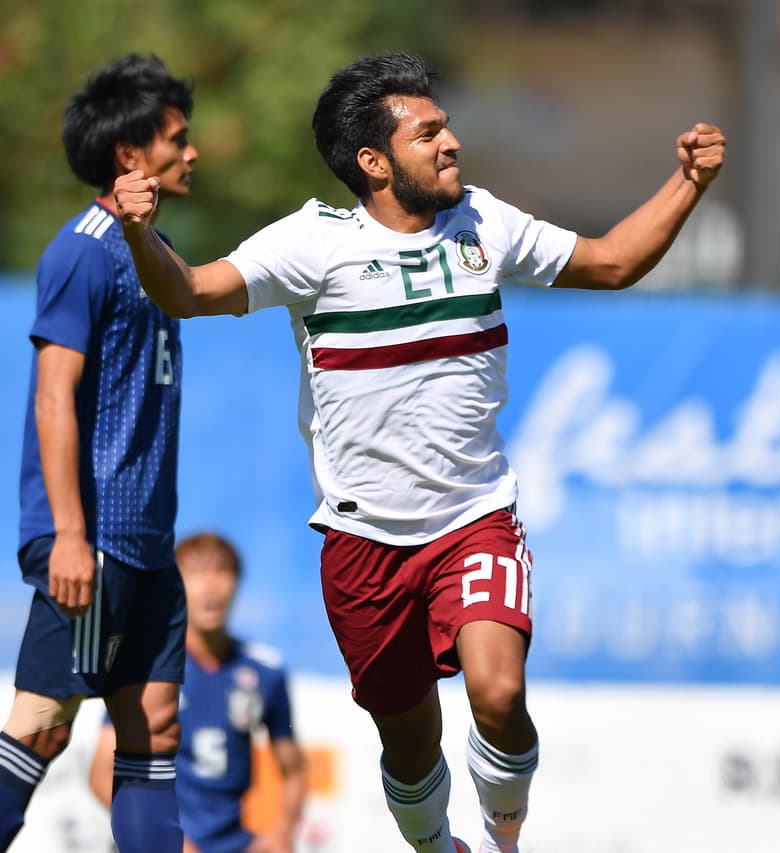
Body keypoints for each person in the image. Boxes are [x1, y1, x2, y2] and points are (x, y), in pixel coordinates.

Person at [113, 51, 725, 853]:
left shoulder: (484, 221)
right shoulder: (312, 245)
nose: (451, 143)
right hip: (363, 543)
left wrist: (689, 182)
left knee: (499, 692)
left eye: (446, 126)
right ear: (373, 161)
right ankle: (440, 847)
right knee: (408, 745)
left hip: (475, 516)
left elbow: (611, 261)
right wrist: (137, 232)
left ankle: (504, 843)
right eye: (428, 131)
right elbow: (188, 291)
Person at [0, 54, 199, 853]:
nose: (192, 153)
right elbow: (54, 394)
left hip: (147, 544)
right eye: (178, 138)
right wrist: (71, 535)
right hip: (96, 540)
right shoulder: (82, 250)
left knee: (153, 726)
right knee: (42, 726)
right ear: (129, 153)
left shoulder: (151, 249)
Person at [89, 532, 307, 853]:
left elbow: (295, 770)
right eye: (197, 573)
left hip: (235, 842)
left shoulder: (265, 671)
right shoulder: (145, 667)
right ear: (175, 584)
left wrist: (282, 832)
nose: (211, 586)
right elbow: (101, 775)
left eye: (223, 572)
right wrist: (161, 836)